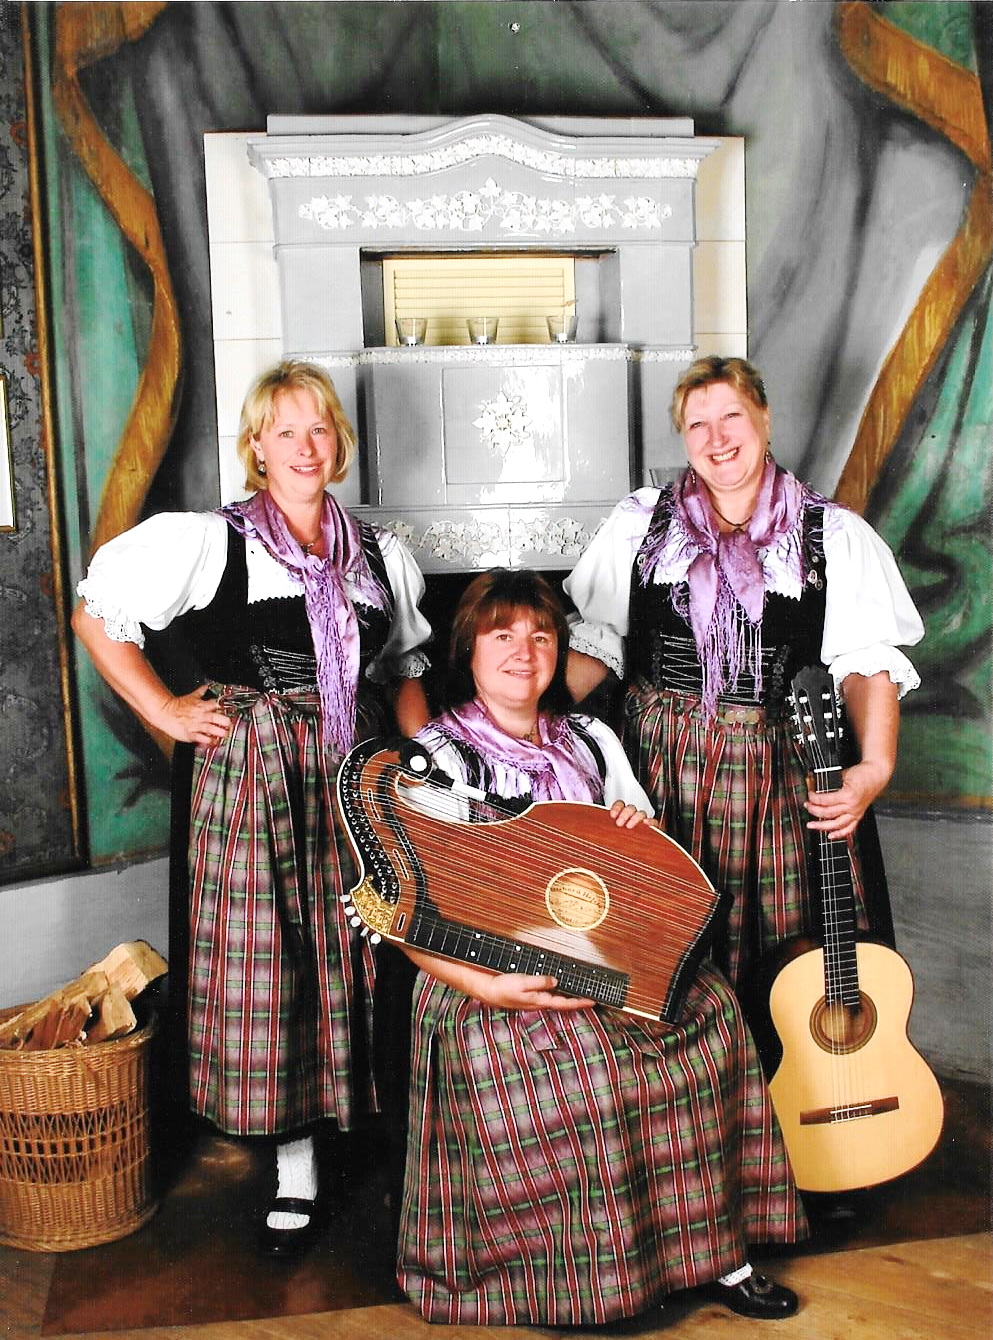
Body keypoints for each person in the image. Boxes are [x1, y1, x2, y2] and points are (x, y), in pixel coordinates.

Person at [72, 360, 432, 1257]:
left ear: (338, 445)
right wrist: (164, 709)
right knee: (275, 963)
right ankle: (295, 1165)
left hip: (356, 773)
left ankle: (386, 1137)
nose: (305, 446)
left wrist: (428, 763)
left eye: (319, 429)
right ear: (257, 448)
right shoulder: (210, 541)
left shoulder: (377, 555)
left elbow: (401, 668)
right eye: (285, 431)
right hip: (254, 773)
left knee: (367, 943)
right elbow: (96, 617)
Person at [394, 569, 805, 1327]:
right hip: (488, 972)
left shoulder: (591, 738)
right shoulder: (436, 759)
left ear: (559, 651)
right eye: (501, 635)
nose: (523, 652)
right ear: (468, 650)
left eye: (541, 636)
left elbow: (639, 869)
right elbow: (403, 913)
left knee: (713, 1014)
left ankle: (718, 1253)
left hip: (604, 946)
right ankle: (588, 1282)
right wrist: (486, 987)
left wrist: (637, 834)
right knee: (584, 1067)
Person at [564, 354, 924, 993]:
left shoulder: (831, 535)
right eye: (697, 424)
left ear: (764, 417)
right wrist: (517, 727)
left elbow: (865, 665)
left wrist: (875, 767)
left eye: (731, 415)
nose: (717, 438)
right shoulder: (641, 525)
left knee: (786, 952)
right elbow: (598, 644)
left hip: (777, 769)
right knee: (665, 935)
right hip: (659, 766)